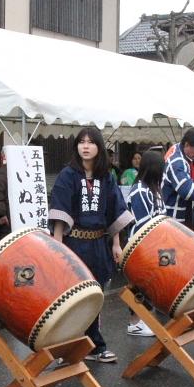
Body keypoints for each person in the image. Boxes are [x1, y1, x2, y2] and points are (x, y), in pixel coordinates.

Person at [49, 127, 133, 362]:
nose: (85, 146)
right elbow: (60, 210)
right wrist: (58, 246)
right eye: (81, 142)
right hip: (74, 245)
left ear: (98, 147)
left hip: (98, 244)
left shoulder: (106, 176)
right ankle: (67, 346)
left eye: (90, 142)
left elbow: (114, 211)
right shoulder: (68, 175)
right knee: (71, 297)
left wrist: (116, 244)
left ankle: (93, 345)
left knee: (95, 296)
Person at [125, 150, 167, 337]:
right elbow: (144, 223)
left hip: (154, 242)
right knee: (139, 285)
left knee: (147, 285)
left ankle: (141, 320)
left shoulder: (153, 189)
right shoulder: (141, 190)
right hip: (141, 245)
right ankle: (135, 323)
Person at [162, 128, 194, 228]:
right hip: (173, 215)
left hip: (182, 211)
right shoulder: (176, 162)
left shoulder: (180, 149)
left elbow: (190, 163)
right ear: (187, 145)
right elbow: (188, 192)